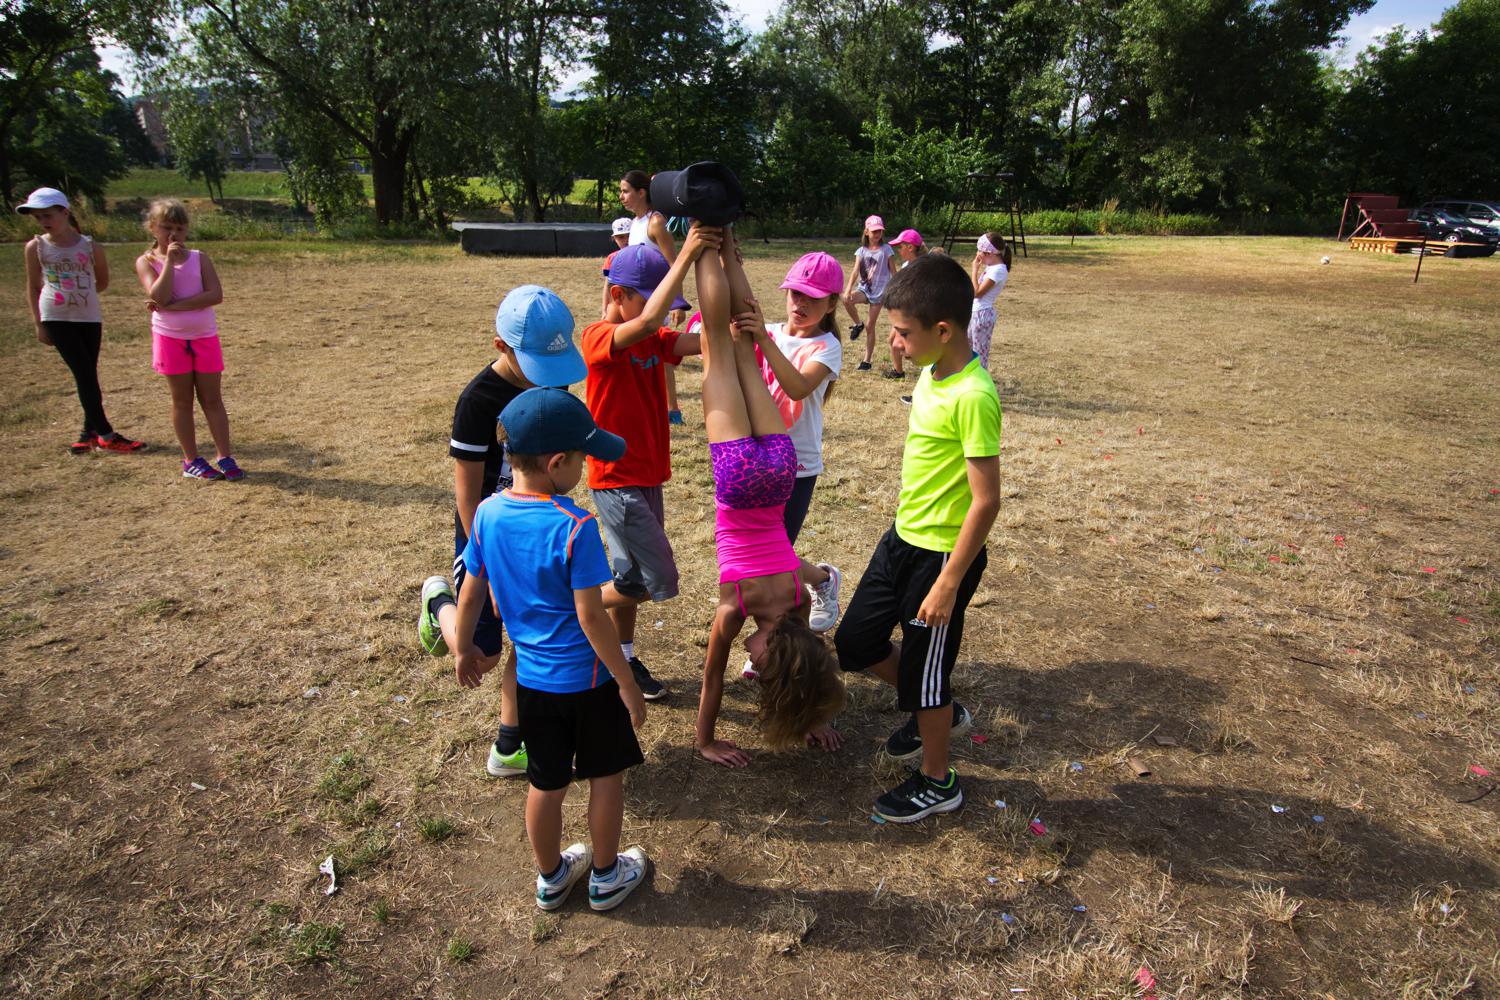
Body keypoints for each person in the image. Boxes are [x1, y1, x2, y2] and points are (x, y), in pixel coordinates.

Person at [453, 387, 650, 912]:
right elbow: (591, 615)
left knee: (545, 783)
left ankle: (551, 877)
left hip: (532, 686)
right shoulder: (575, 525)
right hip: (589, 683)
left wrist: (464, 648)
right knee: (606, 776)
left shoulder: (487, 514)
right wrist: (626, 682)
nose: (585, 468)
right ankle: (606, 876)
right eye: (582, 459)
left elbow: (470, 592)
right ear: (557, 462)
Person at [833, 253, 1002, 823]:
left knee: (927, 682)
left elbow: (986, 500)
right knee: (855, 642)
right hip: (902, 539)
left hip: (941, 559)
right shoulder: (932, 373)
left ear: (944, 330)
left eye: (903, 332)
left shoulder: (974, 395)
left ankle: (937, 779)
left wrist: (949, 582)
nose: (895, 342)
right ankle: (939, 707)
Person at [417, 285, 588, 779]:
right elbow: (468, 496)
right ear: (501, 347)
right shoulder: (478, 402)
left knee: (535, 635)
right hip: (487, 535)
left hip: (537, 531)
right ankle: (439, 605)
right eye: (535, 363)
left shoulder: (553, 382)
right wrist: (489, 568)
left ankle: (510, 742)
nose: (548, 378)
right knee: (484, 654)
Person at [693, 228, 845, 769]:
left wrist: (814, 712)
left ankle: (724, 240)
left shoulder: (800, 603)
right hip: (739, 479)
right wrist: (705, 740)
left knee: (742, 337)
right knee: (720, 342)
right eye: (760, 664)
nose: (750, 661)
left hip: (780, 471)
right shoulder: (737, 606)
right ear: (774, 651)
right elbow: (713, 677)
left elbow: (809, 665)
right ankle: (704, 243)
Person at [583, 233, 716, 701]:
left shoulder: (652, 339)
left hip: (646, 478)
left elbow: (701, 341)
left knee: (629, 577)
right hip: (615, 480)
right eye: (647, 298)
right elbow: (647, 322)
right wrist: (685, 254)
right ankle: (569, 611)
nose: (658, 313)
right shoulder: (598, 337)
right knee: (651, 580)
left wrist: (731, 305)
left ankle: (622, 654)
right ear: (618, 295)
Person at [17, 187, 144, 455]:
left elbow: (103, 281)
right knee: (84, 374)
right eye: (38, 217)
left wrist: (79, 294)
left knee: (89, 374)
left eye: (48, 215)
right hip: (56, 317)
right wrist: (39, 323)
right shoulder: (36, 247)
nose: (43, 221)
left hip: (88, 317)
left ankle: (88, 433)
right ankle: (107, 435)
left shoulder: (89, 247)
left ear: (65, 212)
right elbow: (33, 286)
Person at [134, 198, 239, 480]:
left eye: (179, 229)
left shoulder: (199, 258)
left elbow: (214, 295)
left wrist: (174, 306)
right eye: (166, 228)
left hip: (204, 337)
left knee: (212, 399)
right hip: (170, 339)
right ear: (152, 228)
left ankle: (225, 456)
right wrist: (168, 262)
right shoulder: (146, 262)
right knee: (182, 401)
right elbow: (158, 295)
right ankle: (191, 460)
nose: (173, 235)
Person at [619, 169, 686, 424]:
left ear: (641, 192)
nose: (621, 196)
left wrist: (677, 302)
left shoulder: (655, 222)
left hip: (656, 300)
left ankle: (673, 410)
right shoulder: (635, 223)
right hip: (636, 302)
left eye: (625, 191)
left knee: (661, 354)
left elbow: (674, 263)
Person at [843, 215, 899, 377]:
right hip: (865, 289)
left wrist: (896, 289)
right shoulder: (861, 251)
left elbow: (893, 271)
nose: (877, 234)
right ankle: (857, 324)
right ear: (866, 232)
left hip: (880, 293)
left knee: (870, 326)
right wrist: (848, 289)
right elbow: (855, 271)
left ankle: (866, 361)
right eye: (874, 231)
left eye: (879, 231)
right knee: (846, 299)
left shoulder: (887, 249)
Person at [969, 232, 1011, 371]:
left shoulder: (998, 270)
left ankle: (980, 379)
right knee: (967, 351)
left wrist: (974, 270)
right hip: (975, 312)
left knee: (979, 354)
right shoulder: (991, 267)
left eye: (980, 251)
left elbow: (977, 293)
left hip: (982, 314)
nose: (977, 254)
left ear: (989, 253)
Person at [599, 217, 633, 319]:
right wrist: (605, 309)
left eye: (629, 235)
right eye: (621, 237)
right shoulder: (612, 258)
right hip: (617, 304)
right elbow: (607, 285)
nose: (626, 240)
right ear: (614, 239)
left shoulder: (643, 254)